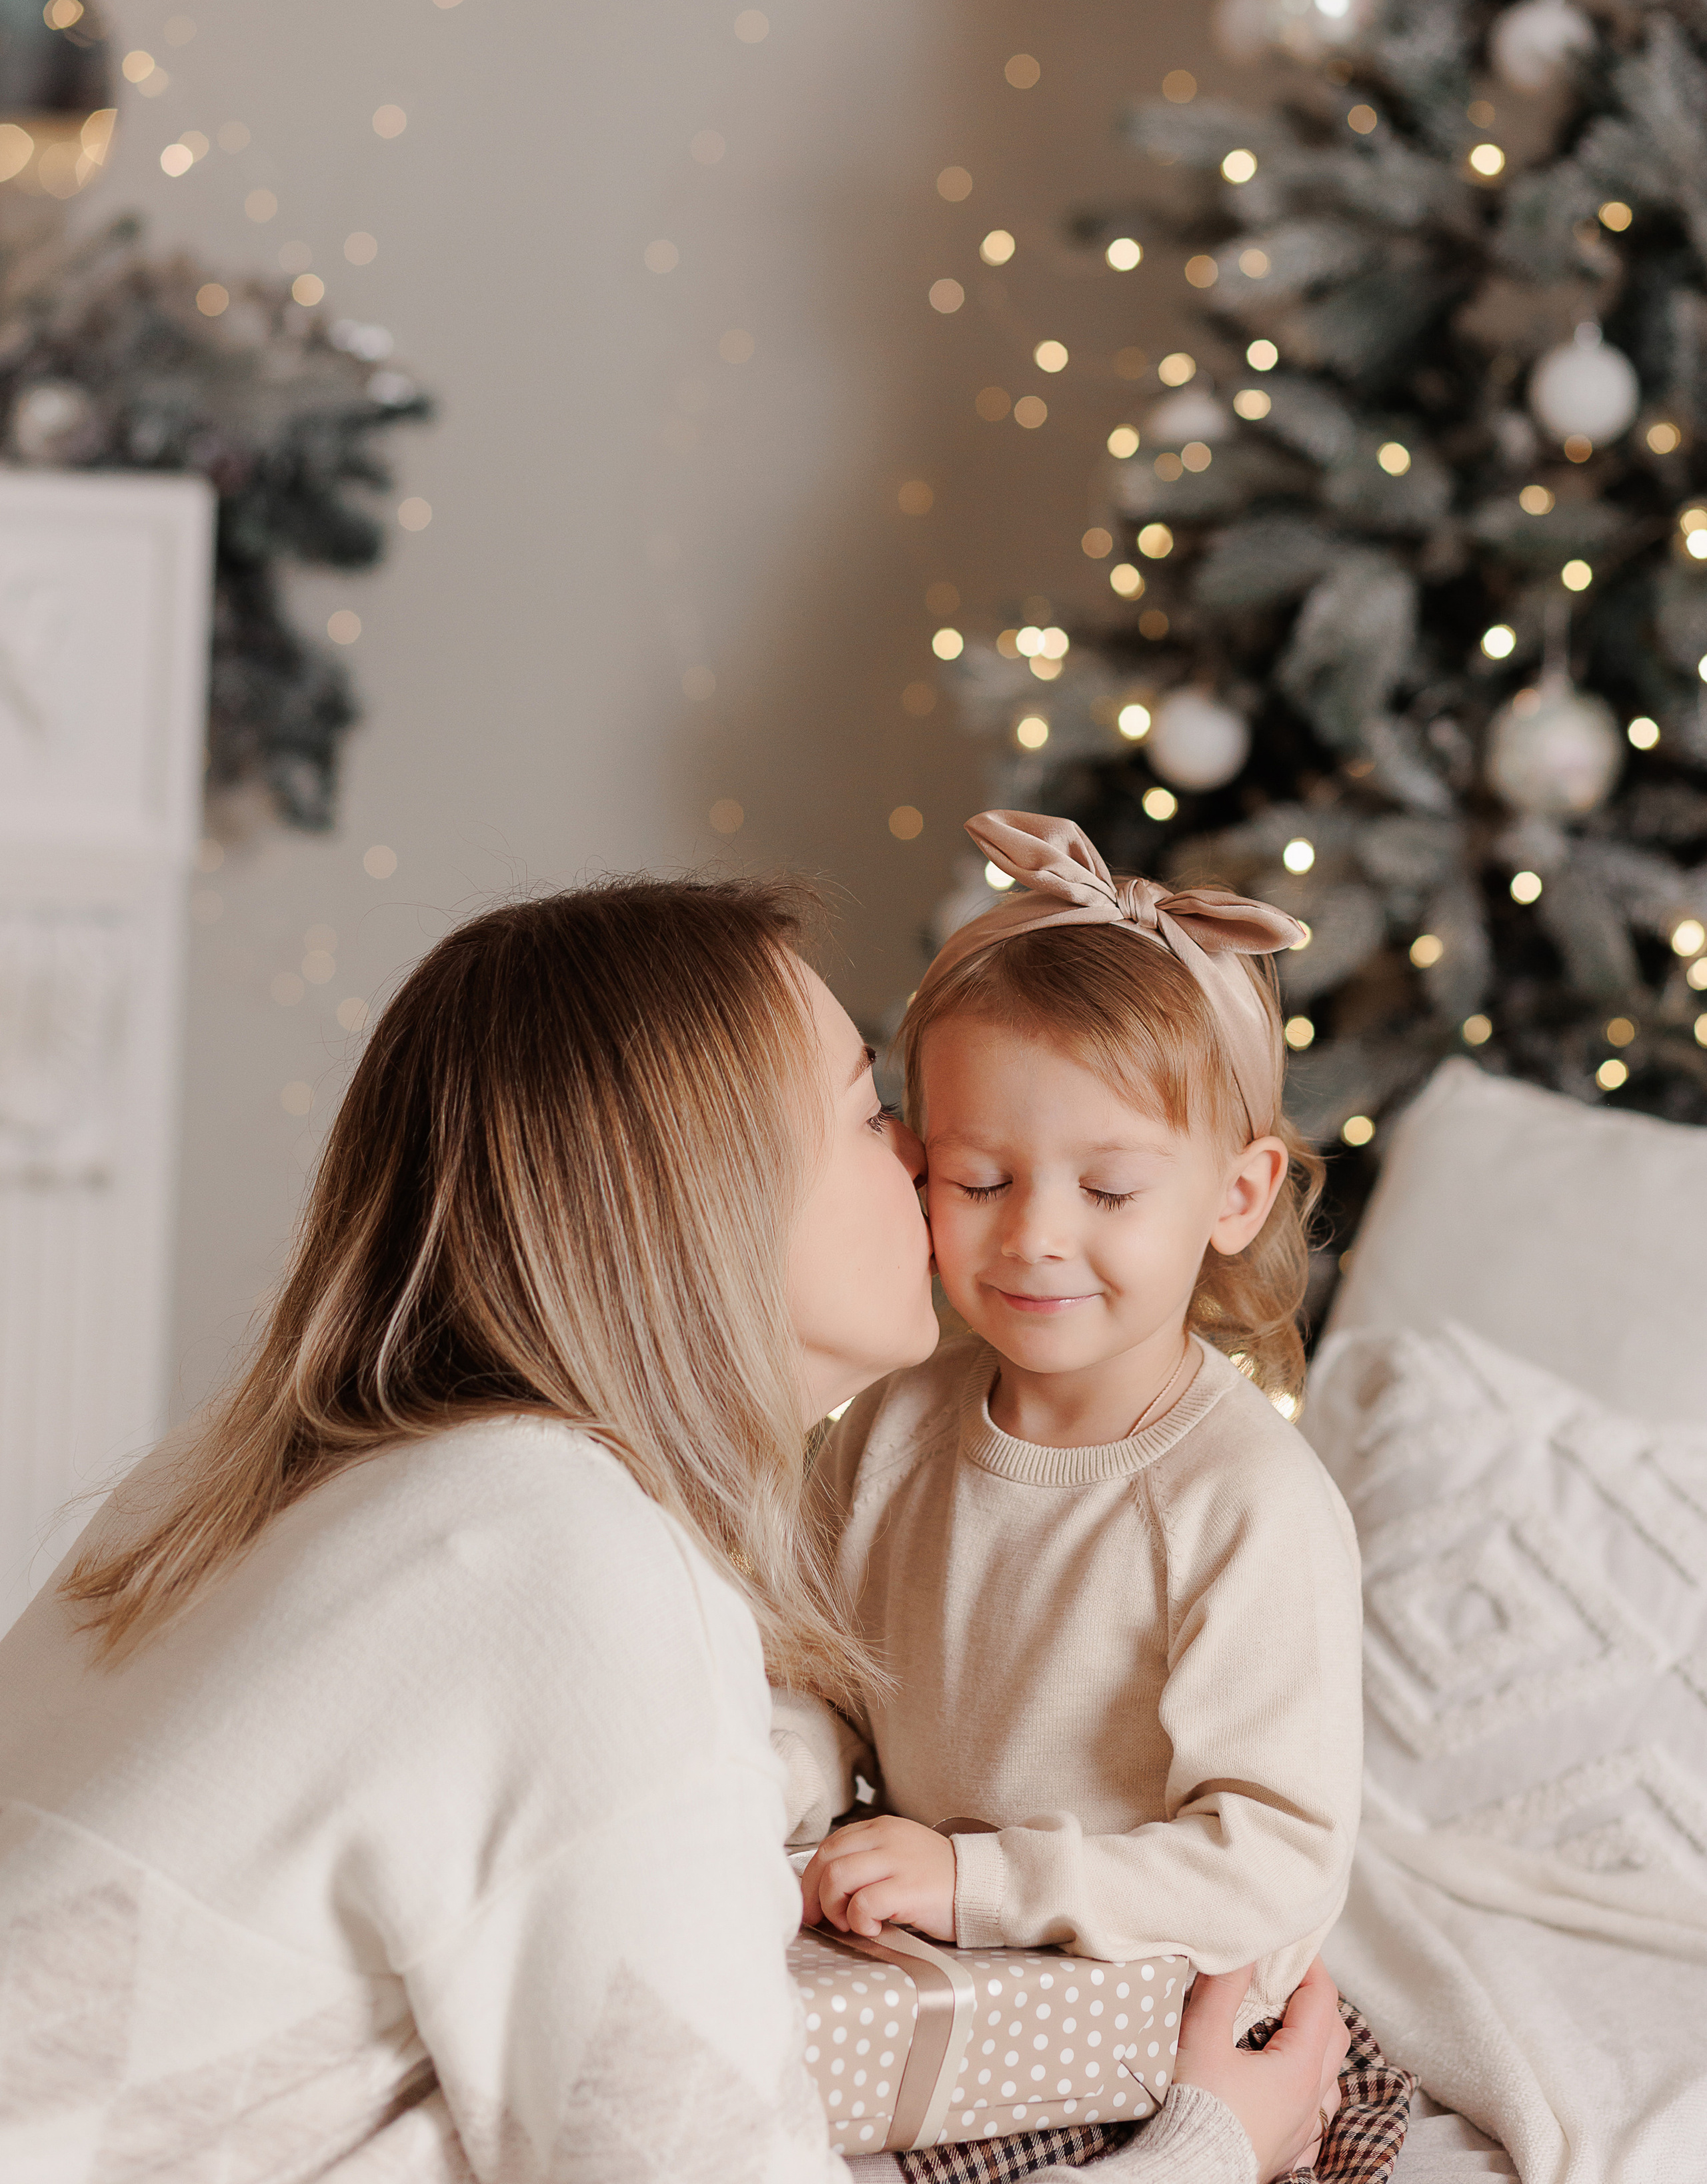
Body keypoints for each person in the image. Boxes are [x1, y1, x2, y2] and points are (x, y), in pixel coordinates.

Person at [0, 875, 1344, 2183]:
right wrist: (1208, 2147)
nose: (925, 1166)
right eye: (874, 1114)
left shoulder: (243, 1484)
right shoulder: (559, 1565)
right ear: (712, 1197)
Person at [779, 813, 1366, 2163]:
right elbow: (811, 1687)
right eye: (979, 1180)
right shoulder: (890, 1427)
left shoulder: (1245, 1503)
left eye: (1108, 1191)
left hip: (1144, 2040)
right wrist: (761, 1805)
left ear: (1235, 1195)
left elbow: (1273, 1866)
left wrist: (977, 1879)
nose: (1036, 1236)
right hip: (932, 1983)